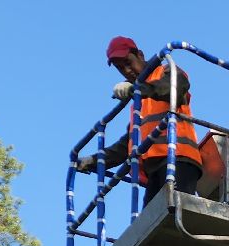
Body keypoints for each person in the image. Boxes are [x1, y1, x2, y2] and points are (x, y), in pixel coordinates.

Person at [75, 36, 204, 197]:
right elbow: (128, 144)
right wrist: (94, 161)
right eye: (120, 68)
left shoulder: (165, 71)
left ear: (140, 55)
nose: (127, 70)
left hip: (178, 159)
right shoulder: (139, 103)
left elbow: (174, 88)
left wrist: (136, 90)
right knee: (150, 219)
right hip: (154, 171)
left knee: (171, 213)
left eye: (128, 63)